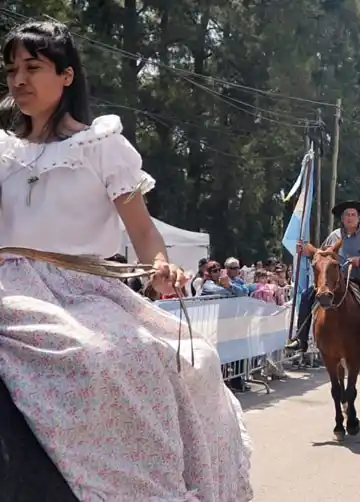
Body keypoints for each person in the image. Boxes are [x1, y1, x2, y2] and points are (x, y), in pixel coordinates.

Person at [0, 21, 251, 500]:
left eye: (33, 68)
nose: (18, 81)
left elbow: (142, 232)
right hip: (8, 286)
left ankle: (143, 487)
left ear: (67, 76)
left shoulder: (102, 147)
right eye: (11, 70)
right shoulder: (2, 152)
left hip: (81, 288)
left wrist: (161, 265)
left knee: (138, 357)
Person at [285, 200, 360, 357]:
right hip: (333, 281)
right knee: (306, 296)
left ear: (359, 218)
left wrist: (359, 260)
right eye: (346, 215)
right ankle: (300, 339)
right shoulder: (333, 236)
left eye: (353, 215)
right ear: (342, 218)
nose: (349, 218)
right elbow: (321, 256)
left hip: (358, 278)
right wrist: (305, 251)